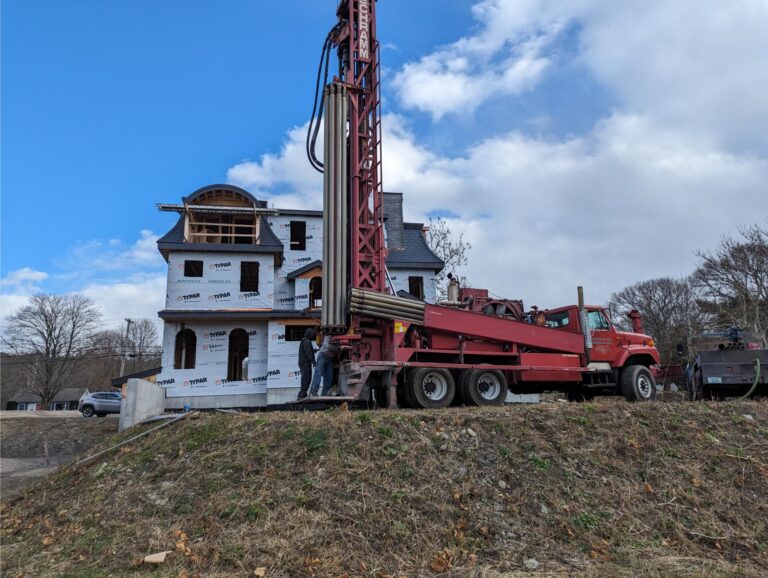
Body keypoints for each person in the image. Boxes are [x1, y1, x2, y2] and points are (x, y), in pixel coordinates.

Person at [297, 328, 317, 400]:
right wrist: (314, 362)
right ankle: (302, 394)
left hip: (303, 362)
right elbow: (308, 353)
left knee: (305, 378)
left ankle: (302, 393)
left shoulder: (304, 340)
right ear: (309, 334)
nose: (313, 336)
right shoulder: (307, 341)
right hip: (305, 363)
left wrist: (313, 350)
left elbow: (307, 351)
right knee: (306, 378)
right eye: (312, 334)